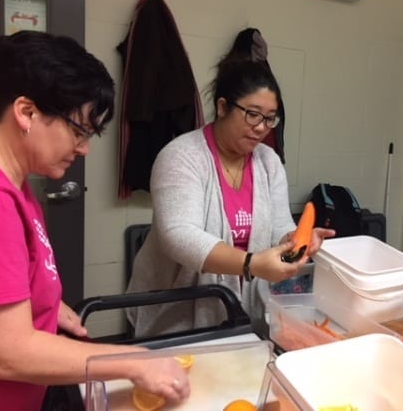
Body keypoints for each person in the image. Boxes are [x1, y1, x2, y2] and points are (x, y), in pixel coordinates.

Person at [0, 31, 190, 411]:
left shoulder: (14, 183)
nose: (84, 148)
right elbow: (3, 353)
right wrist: (134, 362)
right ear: (26, 112)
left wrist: (40, 301)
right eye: (78, 131)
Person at [126, 58, 334, 337]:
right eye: (253, 114)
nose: (261, 127)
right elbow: (178, 235)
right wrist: (251, 264)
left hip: (242, 310)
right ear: (223, 107)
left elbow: (279, 226)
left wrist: (295, 240)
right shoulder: (182, 156)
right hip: (176, 312)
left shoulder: (268, 162)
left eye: (270, 118)